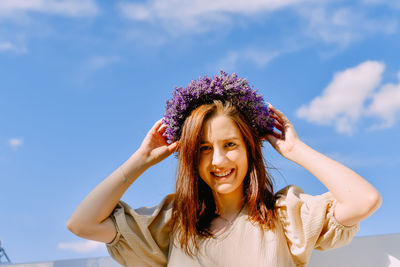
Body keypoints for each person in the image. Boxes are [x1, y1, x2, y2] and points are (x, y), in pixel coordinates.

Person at [67, 72, 381, 267]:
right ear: (191, 157)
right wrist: (142, 159)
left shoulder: (286, 216)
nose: (218, 161)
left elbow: (363, 201)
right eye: (204, 148)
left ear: (249, 150)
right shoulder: (174, 221)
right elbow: (82, 223)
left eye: (230, 145)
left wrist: (294, 149)